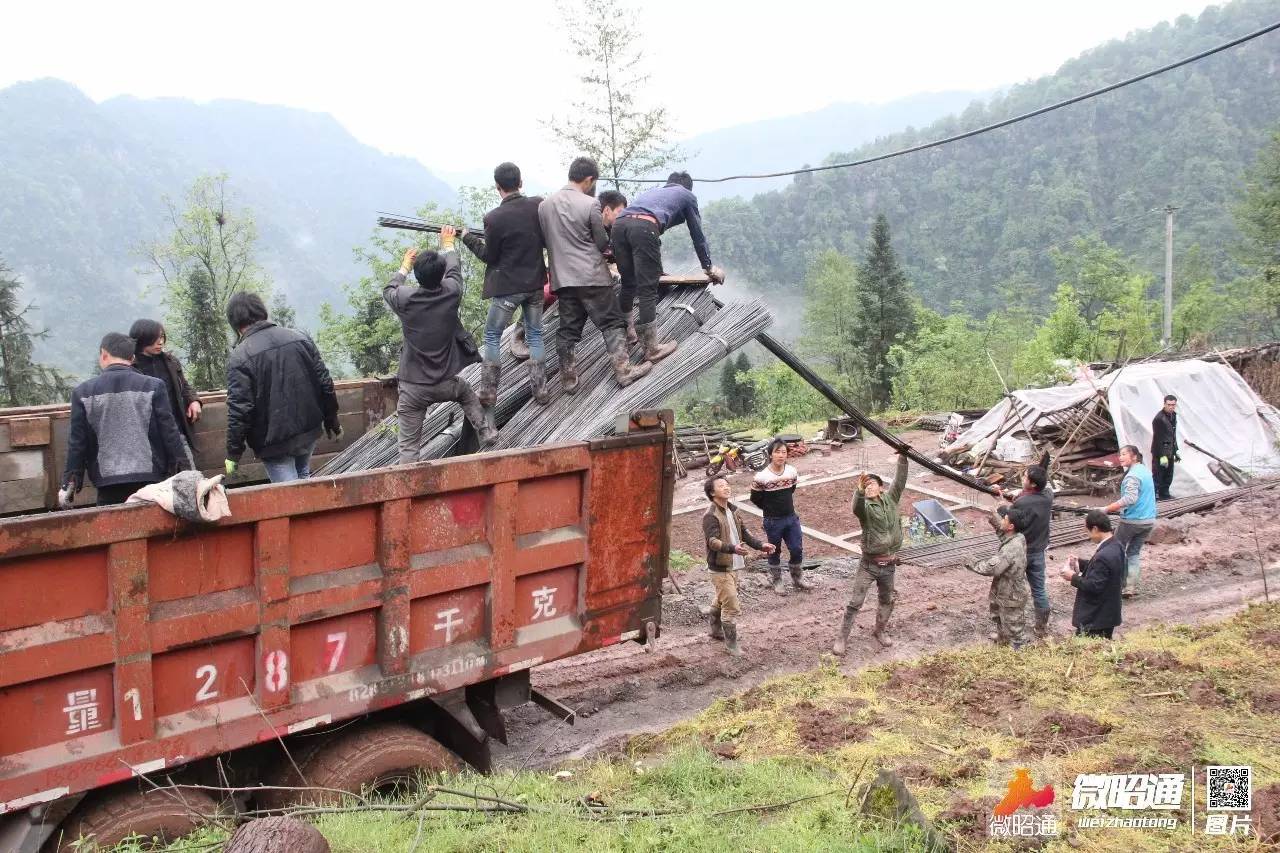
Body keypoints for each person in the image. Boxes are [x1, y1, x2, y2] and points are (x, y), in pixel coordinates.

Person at [384, 227, 497, 463]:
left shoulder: (405, 299)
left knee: (408, 447)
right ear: (441, 274)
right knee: (465, 392)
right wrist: (448, 243)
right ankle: (485, 431)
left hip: (412, 387)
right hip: (445, 382)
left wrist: (405, 264)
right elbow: (454, 270)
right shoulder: (451, 292)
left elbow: (389, 289)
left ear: (418, 276)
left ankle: (409, 490)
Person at [538, 157, 650, 393]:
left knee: (568, 330)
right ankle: (624, 371)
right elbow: (601, 242)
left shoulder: (544, 205)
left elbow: (546, 240)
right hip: (591, 276)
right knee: (612, 322)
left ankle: (568, 379)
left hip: (562, 279)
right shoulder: (590, 204)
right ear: (589, 179)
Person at [61, 333, 192, 506]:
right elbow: (170, 432)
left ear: (103, 354)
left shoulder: (83, 393)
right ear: (132, 358)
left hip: (107, 482)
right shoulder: (153, 386)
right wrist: (184, 469)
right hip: (149, 479)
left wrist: (70, 481)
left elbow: (77, 442)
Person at [224, 292, 341, 483]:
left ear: (235, 323)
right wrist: (332, 420)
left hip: (273, 443)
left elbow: (240, 410)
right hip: (308, 431)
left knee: (288, 494)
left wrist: (233, 454)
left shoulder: (240, 356)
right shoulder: (300, 337)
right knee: (303, 475)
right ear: (262, 312)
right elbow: (324, 383)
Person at [460, 162, 549, 406]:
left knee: (491, 336)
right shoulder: (538, 205)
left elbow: (490, 256)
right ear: (521, 183)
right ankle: (540, 390)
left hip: (508, 288)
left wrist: (467, 237)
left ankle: (488, 392)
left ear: (497, 187)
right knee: (535, 335)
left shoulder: (493, 218)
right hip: (535, 285)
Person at [611, 171, 724, 362]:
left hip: (619, 226)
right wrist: (709, 267)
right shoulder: (687, 195)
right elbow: (697, 234)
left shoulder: (654, 193)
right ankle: (652, 349)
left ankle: (629, 333)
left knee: (629, 284)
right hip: (644, 228)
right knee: (648, 288)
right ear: (688, 187)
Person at [833, 452, 910, 654]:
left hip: (890, 563)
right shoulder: (865, 508)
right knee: (855, 602)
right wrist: (859, 492)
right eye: (866, 486)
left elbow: (900, 481)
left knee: (887, 599)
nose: (869, 487)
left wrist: (903, 458)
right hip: (869, 565)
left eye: (872, 484)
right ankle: (842, 638)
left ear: (881, 487)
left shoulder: (891, 499)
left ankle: (880, 630)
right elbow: (855, 507)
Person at [702, 475, 776, 656]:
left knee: (723, 597)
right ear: (712, 493)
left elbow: (744, 533)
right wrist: (733, 549)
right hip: (720, 567)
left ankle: (715, 629)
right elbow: (713, 542)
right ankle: (731, 644)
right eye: (721, 486)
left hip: (733, 564)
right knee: (731, 604)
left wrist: (761, 545)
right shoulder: (710, 515)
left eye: (727, 484)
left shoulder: (732, 511)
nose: (726, 488)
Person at [129, 319, 200, 468]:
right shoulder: (131, 368)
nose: (160, 342)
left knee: (190, 478)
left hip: (177, 432)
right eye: (155, 339)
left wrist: (193, 400)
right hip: (147, 440)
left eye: (162, 337)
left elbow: (184, 385)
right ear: (142, 340)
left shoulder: (170, 361)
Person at [750, 438, 812, 594]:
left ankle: (797, 578)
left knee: (796, 548)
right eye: (777, 452)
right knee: (774, 550)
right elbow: (755, 498)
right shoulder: (761, 477)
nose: (781, 455)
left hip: (791, 518)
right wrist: (769, 508)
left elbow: (791, 489)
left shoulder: (791, 471)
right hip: (772, 521)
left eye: (784, 452)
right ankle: (777, 580)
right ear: (770, 454)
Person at [965, 505, 1031, 648]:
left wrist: (971, 562)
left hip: (1012, 593)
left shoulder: (1011, 549)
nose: (1002, 520)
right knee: (1000, 616)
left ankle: (1019, 650)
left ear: (1011, 526)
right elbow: (1004, 536)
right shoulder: (1018, 537)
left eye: (1004, 519)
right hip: (1005, 588)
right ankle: (1003, 638)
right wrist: (995, 518)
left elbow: (992, 568)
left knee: (1014, 625)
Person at [1059, 509, 1125, 639]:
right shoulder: (1116, 545)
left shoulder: (1104, 555)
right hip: (1108, 614)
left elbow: (1094, 585)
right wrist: (1081, 563)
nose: (1088, 535)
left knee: (1086, 652)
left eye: (1087, 531)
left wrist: (1072, 576)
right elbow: (1104, 571)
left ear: (1095, 529)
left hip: (1096, 618)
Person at [1103, 445, 1156, 598]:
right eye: (1120, 454)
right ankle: (1130, 587)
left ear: (1134, 457)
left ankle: (1116, 584)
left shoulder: (1132, 476)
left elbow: (1130, 498)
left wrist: (1108, 508)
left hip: (1132, 520)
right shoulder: (1145, 471)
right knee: (1133, 552)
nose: (1121, 457)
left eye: (1124, 454)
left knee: (1116, 550)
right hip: (1148, 520)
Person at [1011, 458, 1053, 638]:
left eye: (1025, 477)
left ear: (1032, 484)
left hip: (1020, 552)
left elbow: (1011, 520)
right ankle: (1041, 627)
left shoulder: (1021, 504)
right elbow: (1041, 492)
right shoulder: (1048, 497)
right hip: (1038, 551)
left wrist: (1003, 505)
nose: (1022, 478)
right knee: (1039, 589)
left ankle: (1014, 627)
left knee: (1014, 590)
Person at [1151, 394, 1179, 500]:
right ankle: (1152, 497)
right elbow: (1158, 439)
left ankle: (1164, 495)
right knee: (1158, 475)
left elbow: (1172, 435)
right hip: (1160, 452)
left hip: (1170, 451)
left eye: (1173, 405)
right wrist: (1162, 456)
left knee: (1168, 475)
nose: (1171, 407)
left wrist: (1175, 451)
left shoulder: (1173, 415)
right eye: (1169, 405)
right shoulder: (1159, 419)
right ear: (1164, 404)